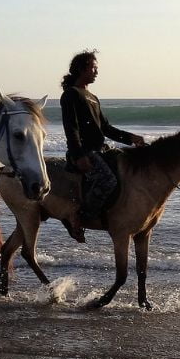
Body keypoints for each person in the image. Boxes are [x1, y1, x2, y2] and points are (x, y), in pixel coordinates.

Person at [59, 50, 145, 242]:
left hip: (100, 150)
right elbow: (70, 128)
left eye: (96, 68)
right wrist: (78, 155)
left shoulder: (92, 97)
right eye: (93, 68)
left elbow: (105, 128)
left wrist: (131, 138)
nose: (96, 72)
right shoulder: (71, 95)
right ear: (81, 69)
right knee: (108, 180)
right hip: (84, 152)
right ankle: (81, 216)